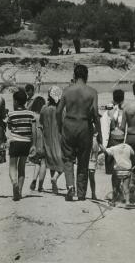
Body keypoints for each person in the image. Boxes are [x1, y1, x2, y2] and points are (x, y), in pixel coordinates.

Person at [57, 64, 102, 201]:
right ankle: (81, 193)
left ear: (74, 76)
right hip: (84, 125)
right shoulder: (92, 92)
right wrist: (99, 132)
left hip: (69, 124)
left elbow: (58, 111)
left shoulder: (66, 91)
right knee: (83, 160)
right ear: (86, 76)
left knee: (68, 158)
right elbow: (95, 113)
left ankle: (70, 186)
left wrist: (60, 127)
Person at [7, 88, 36, 201]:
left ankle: (14, 183)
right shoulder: (30, 114)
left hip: (15, 141)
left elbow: (9, 127)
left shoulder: (11, 114)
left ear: (15, 101)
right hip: (26, 143)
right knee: (22, 167)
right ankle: (19, 191)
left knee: (12, 166)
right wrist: (33, 144)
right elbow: (33, 131)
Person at [99, 130, 135, 206]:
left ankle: (113, 201)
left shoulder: (113, 148)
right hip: (127, 171)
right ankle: (127, 202)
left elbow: (105, 151)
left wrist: (100, 144)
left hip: (117, 171)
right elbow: (133, 155)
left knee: (115, 187)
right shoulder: (128, 147)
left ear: (114, 140)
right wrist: (133, 164)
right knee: (126, 187)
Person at [39, 86, 64, 194]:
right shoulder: (60, 110)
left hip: (46, 137)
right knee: (63, 161)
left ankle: (52, 186)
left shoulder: (44, 108)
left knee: (50, 161)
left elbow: (41, 123)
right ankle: (55, 178)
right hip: (58, 137)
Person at [101, 89, 124, 174]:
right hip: (121, 140)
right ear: (123, 99)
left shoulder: (108, 112)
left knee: (112, 170)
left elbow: (104, 127)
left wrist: (103, 145)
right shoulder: (124, 111)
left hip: (111, 141)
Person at [28, 96, 46, 192]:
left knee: (37, 162)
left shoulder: (33, 115)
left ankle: (34, 179)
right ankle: (40, 186)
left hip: (35, 138)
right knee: (43, 162)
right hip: (43, 138)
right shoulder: (44, 115)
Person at [88, 132, 101, 200]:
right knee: (92, 179)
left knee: (83, 177)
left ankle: (81, 193)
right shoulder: (97, 140)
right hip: (93, 161)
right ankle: (93, 194)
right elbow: (101, 149)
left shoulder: (88, 138)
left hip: (88, 160)